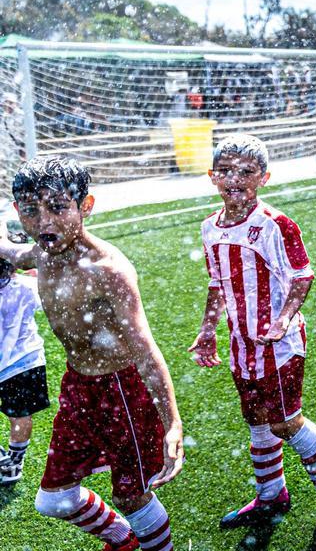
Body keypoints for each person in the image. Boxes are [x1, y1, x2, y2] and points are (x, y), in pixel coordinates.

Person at [0, 157, 183, 551]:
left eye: (58, 207)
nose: (45, 222)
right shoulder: (43, 253)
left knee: (131, 497)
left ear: (86, 206)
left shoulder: (107, 269)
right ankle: (124, 540)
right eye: (32, 211)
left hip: (124, 390)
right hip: (78, 387)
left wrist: (172, 423)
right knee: (54, 499)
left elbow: (147, 351)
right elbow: (15, 256)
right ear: (18, 212)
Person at [188, 135, 316, 543]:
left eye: (246, 172)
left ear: (264, 177)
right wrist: (209, 330)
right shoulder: (210, 227)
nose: (235, 179)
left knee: (285, 421)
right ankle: (271, 495)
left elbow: (303, 275)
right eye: (226, 171)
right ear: (212, 177)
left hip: (277, 346)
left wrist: (283, 319)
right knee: (256, 421)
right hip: (241, 344)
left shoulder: (275, 224)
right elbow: (216, 282)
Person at [0, 214, 48, 485]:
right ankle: (14, 464)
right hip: (25, 363)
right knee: (20, 415)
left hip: (19, 364)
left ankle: (7, 461)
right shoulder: (28, 287)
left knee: (19, 415)